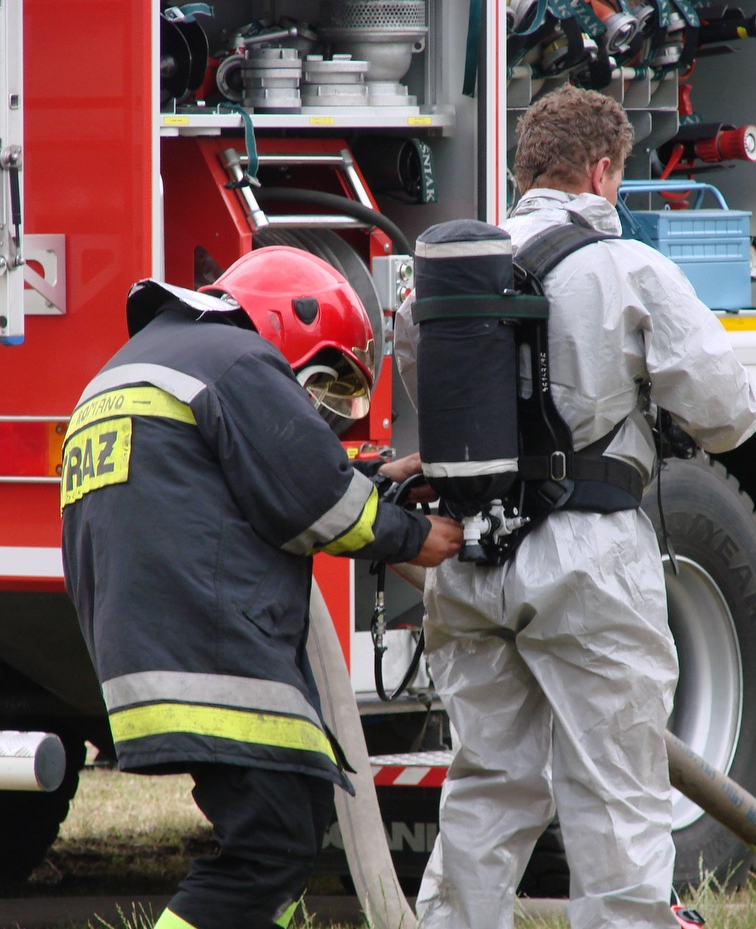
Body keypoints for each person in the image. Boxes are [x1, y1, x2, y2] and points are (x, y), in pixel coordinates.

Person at [393, 84, 756, 929]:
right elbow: (729, 411)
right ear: (602, 172)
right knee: (617, 797)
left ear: (526, 171)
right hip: (588, 560)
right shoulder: (627, 267)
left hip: (470, 554)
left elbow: (428, 383)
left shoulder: (448, 278)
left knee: (486, 787)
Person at [60, 245, 463, 929]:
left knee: (291, 821)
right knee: (271, 844)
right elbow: (308, 499)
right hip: (211, 647)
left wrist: (380, 477)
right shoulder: (241, 360)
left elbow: (234, 487)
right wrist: (418, 535)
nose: (318, 407)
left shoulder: (148, 364)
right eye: (320, 377)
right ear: (287, 323)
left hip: (146, 648)